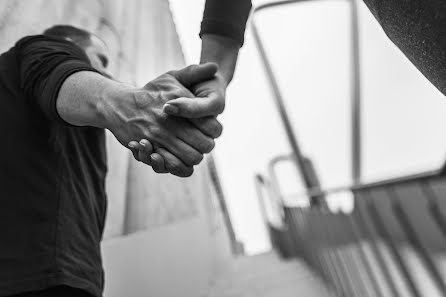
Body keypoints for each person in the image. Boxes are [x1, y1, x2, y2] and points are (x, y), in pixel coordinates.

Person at [0, 1, 252, 297]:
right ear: (70, 44)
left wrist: (217, 72)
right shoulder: (42, 48)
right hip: (39, 280)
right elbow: (55, 69)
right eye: (101, 60)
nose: (107, 72)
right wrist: (127, 103)